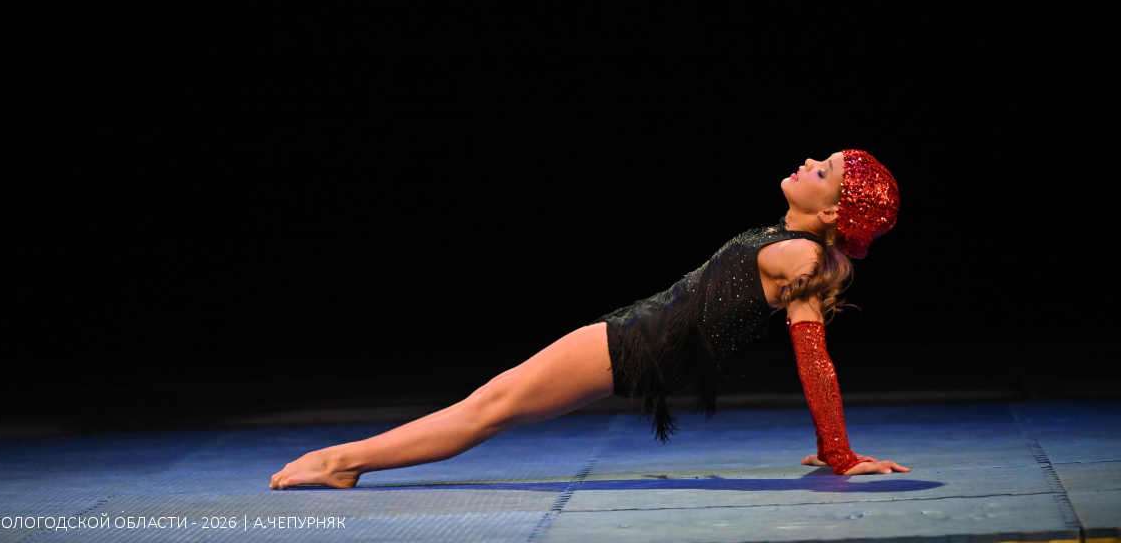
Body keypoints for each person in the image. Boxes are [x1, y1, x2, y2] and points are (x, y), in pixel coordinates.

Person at [270, 149, 908, 489]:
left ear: (833, 213)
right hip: (634, 336)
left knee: (486, 408)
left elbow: (813, 356)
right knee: (489, 405)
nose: (807, 161)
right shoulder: (793, 244)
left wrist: (839, 452)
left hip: (630, 343)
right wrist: (831, 448)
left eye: (822, 171)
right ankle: (346, 460)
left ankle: (343, 461)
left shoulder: (805, 256)